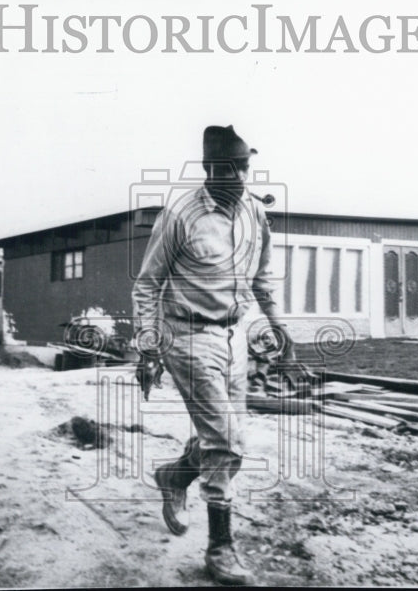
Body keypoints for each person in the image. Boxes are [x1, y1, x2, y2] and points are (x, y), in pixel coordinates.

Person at [131, 125, 301, 586]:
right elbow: (147, 284)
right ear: (210, 170)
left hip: (234, 338)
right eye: (232, 168)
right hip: (186, 337)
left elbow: (263, 279)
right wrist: (148, 349)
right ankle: (220, 549)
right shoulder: (181, 214)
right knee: (226, 441)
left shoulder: (253, 214)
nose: (242, 176)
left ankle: (173, 476)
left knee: (224, 434)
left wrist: (280, 329)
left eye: (245, 166)